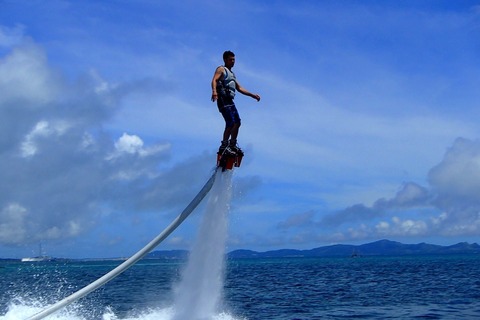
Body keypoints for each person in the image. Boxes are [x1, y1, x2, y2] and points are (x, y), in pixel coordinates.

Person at [211, 50, 260, 156]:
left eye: (234, 60)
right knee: (231, 122)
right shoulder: (221, 69)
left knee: (237, 122)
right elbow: (214, 80)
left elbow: (239, 88)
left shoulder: (232, 74)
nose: (233, 62)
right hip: (223, 99)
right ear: (225, 59)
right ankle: (224, 146)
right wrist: (214, 92)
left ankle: (232, 144)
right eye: (230, 60)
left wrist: (252, 95)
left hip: (230, 100)